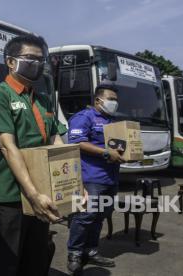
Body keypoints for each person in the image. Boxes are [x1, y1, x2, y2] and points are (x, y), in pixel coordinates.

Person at [0, 34, 64, 276]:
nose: (36, 64)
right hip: (11, 197)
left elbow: (56, 140)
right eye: (30, 58)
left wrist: (72, 184)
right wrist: (32, 193)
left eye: (40, 59)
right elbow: (7, 146)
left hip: (41, 194)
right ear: (10, 61)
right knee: (7, 262)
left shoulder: (44, 100)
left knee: (36, 259)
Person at [66, 83, 124, 275]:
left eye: (116, 99)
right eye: (111, 99)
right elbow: (77, 142)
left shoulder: (113, 121)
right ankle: (74, 254)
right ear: (98, 100)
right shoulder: (85, 117)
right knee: (84, 216)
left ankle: (91, 250)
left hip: (110, 177)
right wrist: (106, 153)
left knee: (101, 215)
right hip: (90, 176)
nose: (114, 102)